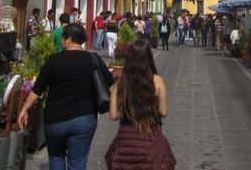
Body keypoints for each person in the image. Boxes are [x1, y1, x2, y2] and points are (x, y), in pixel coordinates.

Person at [18, 23, 113, 170]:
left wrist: (25, 109)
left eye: (63, 38)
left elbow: (38, 89)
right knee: (78, 163)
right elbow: (109, 80)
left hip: (56, 120)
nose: (61, 41)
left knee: (56, 158)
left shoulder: (54, 60)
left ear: (69, 39)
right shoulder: (93, 59)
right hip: (84, 118)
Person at [105, 38, 175, 169]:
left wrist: (130, 112)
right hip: (150, 135)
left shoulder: (121, 82)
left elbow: (113, 115)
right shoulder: (157, 81)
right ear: (149, 57)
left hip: (126, 138)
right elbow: (163, 111)